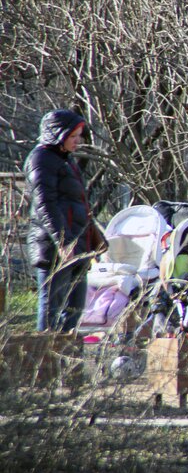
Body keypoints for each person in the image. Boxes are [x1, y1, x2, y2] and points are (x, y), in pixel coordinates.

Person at [25, 109, 104, 332]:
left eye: (79, 135)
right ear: (57, 134)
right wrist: (63, 241)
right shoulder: (41, 159)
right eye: (72, 136)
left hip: (76, 246)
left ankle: (67, 361)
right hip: (55, 248)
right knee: (51, 309)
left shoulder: (65, 160)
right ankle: (44, 363)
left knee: (75, 311)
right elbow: (45, 205)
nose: (78, 141)